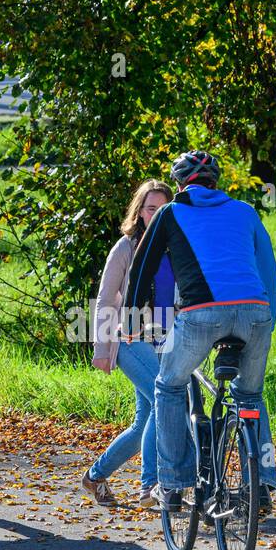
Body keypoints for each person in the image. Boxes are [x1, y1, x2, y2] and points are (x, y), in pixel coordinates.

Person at [123, 150, 276, 515]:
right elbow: (267, 269)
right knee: (249, 396)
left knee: (168, 386)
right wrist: (267, 319)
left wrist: (131, 322)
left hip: (200, 315)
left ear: (179, 185)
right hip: (255, 314)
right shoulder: (245, 211)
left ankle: (174, 485)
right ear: (216, 183)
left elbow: (142, 269)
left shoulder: (170, 212)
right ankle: (260, 486)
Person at [83, 179, 175, 510]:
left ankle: (95, 476)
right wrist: (102, 349)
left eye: (163, 208)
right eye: (151, 208)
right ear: (140, 211)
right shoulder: (126, 247)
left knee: (144, 421)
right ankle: (150, 486)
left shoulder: (173, 245)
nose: (157, 214)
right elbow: (106, 299)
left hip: (166, 341)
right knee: (164, 401)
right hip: (130, 340)